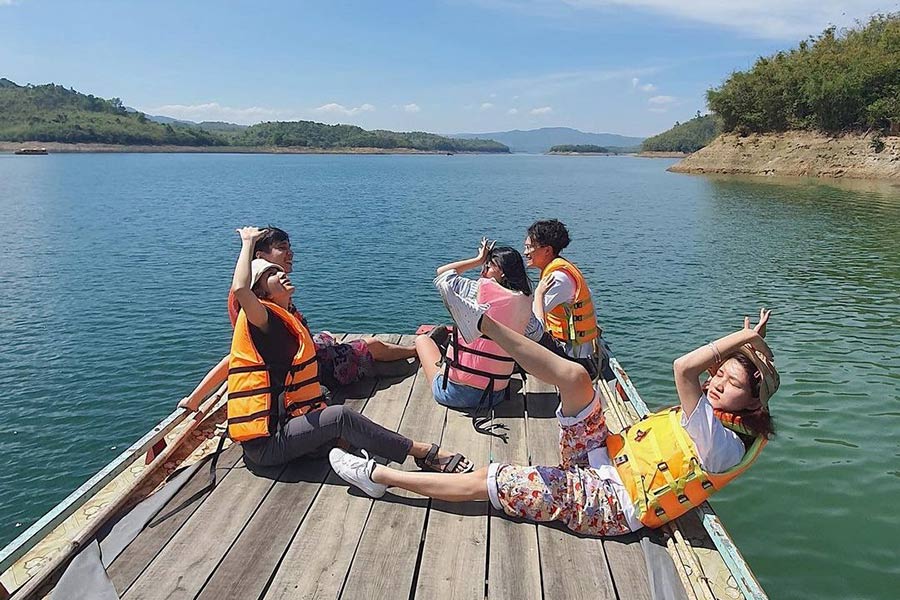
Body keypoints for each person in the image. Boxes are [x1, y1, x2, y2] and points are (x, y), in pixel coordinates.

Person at [330, 284, 779, 536]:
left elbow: (684, 368)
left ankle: (378, 478)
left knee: (488, 480)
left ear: (753, 401)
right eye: (720, 373)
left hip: (608, 502)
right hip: (604, 456)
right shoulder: (719, 417)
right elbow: (700, 373)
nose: (717, 382)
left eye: (732, 383)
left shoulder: (721, 441)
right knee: (578, 379)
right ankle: (485, 324)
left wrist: (738, 342)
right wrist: (740, 348)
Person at [220, 226, 473, 473]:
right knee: (340, 416)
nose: (281, 273)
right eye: (271, 274)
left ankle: (337, 448)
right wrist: (248, 242)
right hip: (269, 444)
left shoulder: (281, 316)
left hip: (284, 423)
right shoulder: (263, 319)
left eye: (278, 270)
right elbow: (241, 289)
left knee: (325, 395)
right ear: (262, 291)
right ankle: (423, 452)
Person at [178, 226, 416, 410]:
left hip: (297, 358)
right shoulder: (258, 305)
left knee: (326, 337)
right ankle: (415, 351)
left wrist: (195, 398)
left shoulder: (267, 295)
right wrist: (247, 243)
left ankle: (373, 363)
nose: (290, 253)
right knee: (371, 346)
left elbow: (235, 355)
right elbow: (236, 353)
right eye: (282, 248)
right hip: (303, 373)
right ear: (260, 256)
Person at [418, 237, 544, 410]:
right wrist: (539, 297)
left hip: (452, 393)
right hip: (494, 394)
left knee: (422, 341)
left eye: (488, 266)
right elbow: (537, 334)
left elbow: (442, 272)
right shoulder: (523, 302)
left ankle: (441, 359)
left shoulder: (475, 290)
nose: (483, 270)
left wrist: (477, 259)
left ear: (502, 271)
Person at [523, 219, 609, 380]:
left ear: (547, 250)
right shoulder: (559, 268)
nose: (525, 252)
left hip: (573, 356)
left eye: (529, 247)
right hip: (570, 347)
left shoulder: (558, 278)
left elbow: (531, 319)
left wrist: (539, 294)